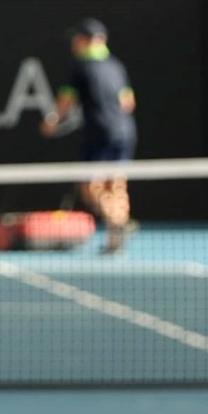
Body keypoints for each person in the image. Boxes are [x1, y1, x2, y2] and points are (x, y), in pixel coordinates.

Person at [41, 19, 138, 253]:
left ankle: (119, 223)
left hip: (100, 134)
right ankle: (116, 237)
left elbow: (65, 101)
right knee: (115, 185)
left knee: (89, 186)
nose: (74, 43)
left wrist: (52, 121)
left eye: (77, 38)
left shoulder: (81, 66)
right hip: (125, 133)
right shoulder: (116, 65)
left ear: (85, 40)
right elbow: (128, 103)